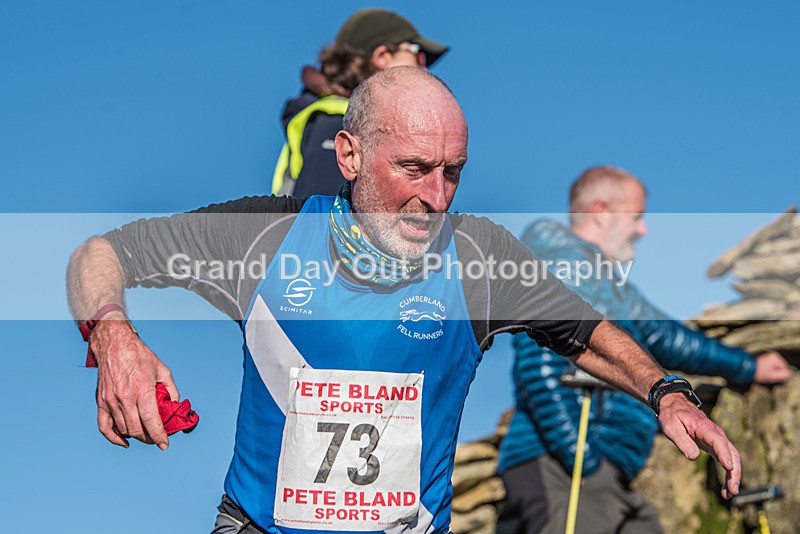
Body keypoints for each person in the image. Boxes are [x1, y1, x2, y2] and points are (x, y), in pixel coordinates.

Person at [67, 71, 742, 534]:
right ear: (351, 155)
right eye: (415, 169)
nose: (437, 197)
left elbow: (586, 331)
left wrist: (668, 391)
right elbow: (99, 254)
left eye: (453, 172)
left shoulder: (479, 257)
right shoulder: (264, 237)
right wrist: (113, 337)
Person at [497, 166, 791, 534]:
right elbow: (539, 364)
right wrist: (582, 460)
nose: (643, 229)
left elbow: (672, 339)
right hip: (562, 470)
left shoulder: (611, 285)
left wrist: (750, 367)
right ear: (601, 212)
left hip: (602, 474)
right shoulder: (565, 266)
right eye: (636, 217)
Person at [271, 8, 448, 198]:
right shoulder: (339, 122)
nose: (425, 69)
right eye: (418, 55)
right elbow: (320, 216)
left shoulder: (354, 120)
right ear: (382, 57)